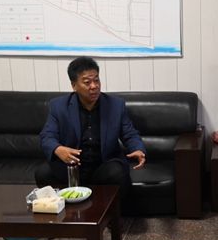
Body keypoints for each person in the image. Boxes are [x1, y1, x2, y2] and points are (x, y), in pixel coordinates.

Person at [35, 56, 146, 194]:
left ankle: (113, 209)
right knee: (43, 172)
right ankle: (64, 207)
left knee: (117, 171)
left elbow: (129, 134)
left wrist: (138, 149)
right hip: (72, 167)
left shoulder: (115, 105)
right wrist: (58, 149)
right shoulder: (59, 106)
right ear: (74, 85)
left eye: (96, 80)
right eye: (87, 82)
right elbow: (47, 136)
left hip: (103, 166)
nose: (94, 86)